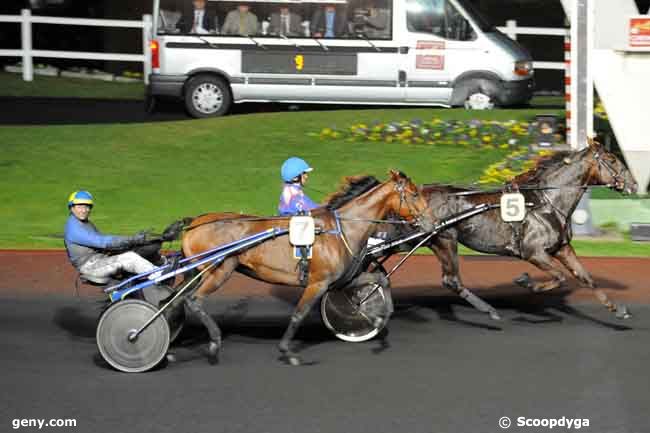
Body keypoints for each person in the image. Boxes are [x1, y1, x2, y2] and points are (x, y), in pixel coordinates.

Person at [64, 190, 162, 284]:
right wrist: (132, 239)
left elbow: (104, 242)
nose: (84, 210)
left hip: (99, 259)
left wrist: (132, 243)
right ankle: (160, 276)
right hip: (90, 266)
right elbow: (103, 242)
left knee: (136, 251)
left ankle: (160, 265)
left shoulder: (85, 223)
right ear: (72, 208)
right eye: (80, 207)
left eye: (87, 207)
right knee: (130, 258)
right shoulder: (74, 228)